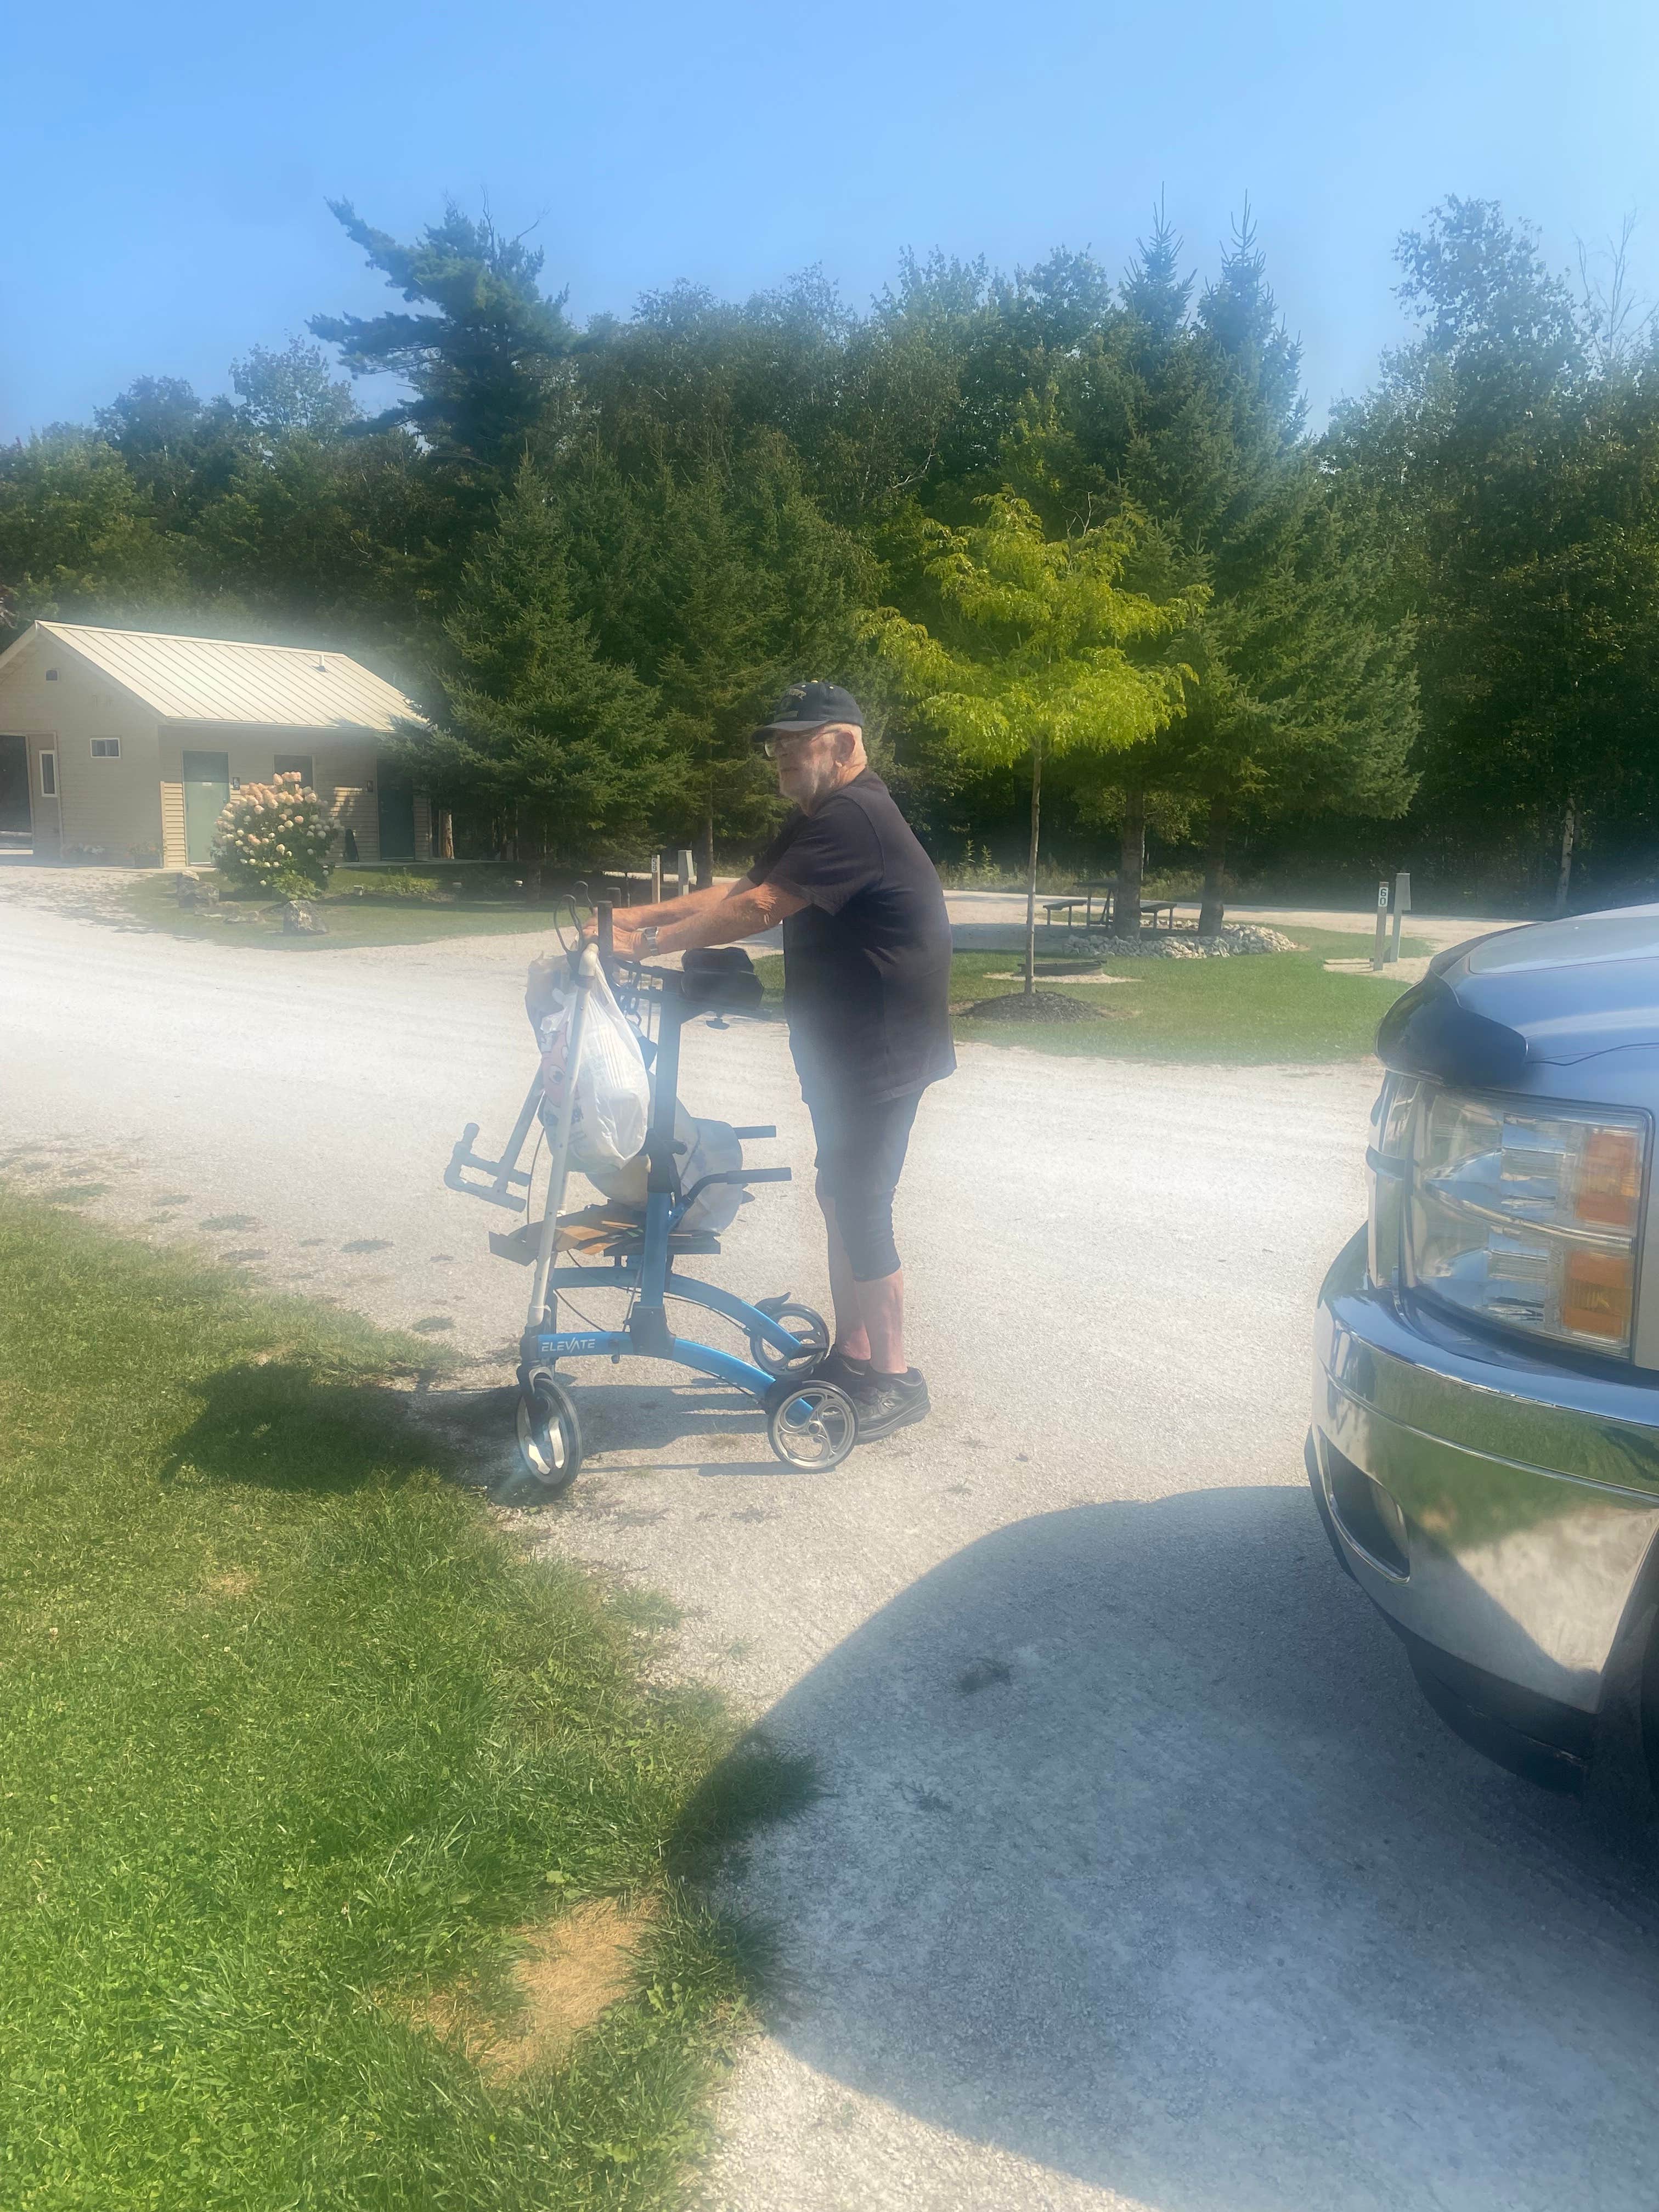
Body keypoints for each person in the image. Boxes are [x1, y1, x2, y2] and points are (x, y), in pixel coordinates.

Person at [592, 681, 954, 1438]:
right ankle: (854, 1354)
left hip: (883, 1047)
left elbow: (759, 911)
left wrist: (646, 944)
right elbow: (742, 889)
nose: (781, 755)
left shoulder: (855, 816)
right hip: (844, 1045)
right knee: (839, 1194)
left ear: (845, 743)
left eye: (797, 741)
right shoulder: (817, 815)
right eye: (776, 744)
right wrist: (626, 919)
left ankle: (895, 1378)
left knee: (861, 1200)